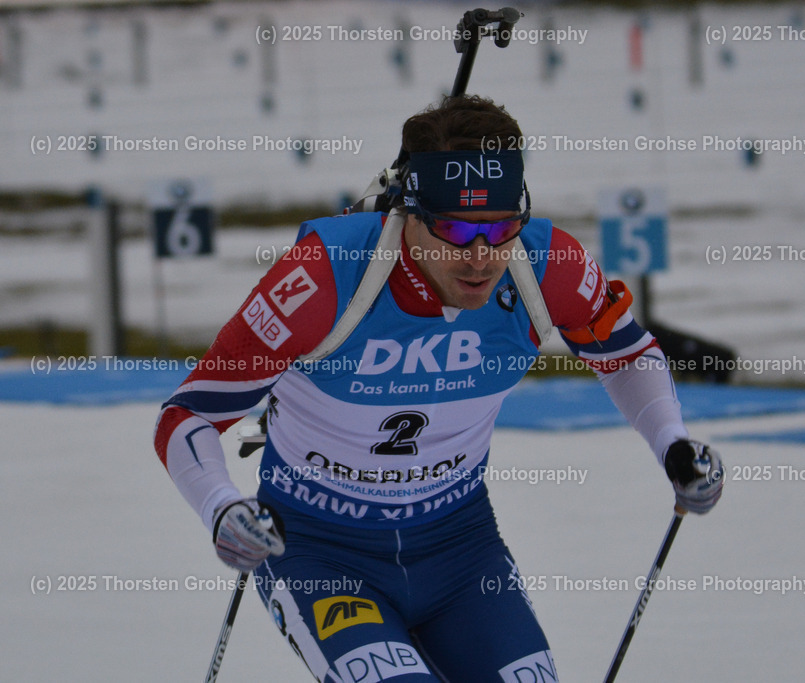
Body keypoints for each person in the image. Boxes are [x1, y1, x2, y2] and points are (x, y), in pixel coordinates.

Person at [154, 94, 723, 682]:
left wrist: (673, 444)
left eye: (500, 228)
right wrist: (221, 509)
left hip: (460, 550)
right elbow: (186, 415)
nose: (480, 257)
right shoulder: (327, 274)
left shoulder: (544, 264)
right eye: (454, 230)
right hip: (321, 551)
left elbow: (627, 354)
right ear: (410, 214)